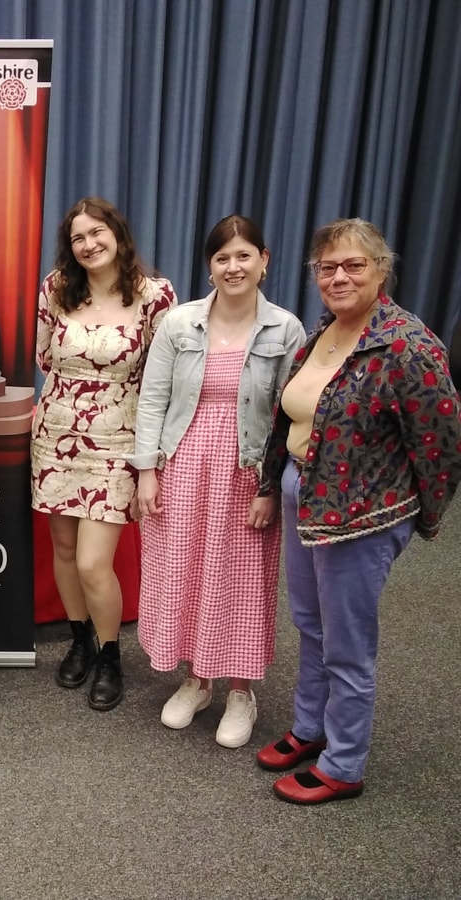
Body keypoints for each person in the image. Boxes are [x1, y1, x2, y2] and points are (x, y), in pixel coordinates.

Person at [255, 218, 461, 803]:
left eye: (354, 265)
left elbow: (446, 448)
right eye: (328, 267)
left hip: (361, 517)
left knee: (348, 643)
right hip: (307, 495)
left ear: (382, 270)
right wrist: (276, 482)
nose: (339, 276)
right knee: (310, 624)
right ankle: (310, 729)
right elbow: (292, 417)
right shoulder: (324, 333)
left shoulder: (407, 346)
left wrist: (413, 520)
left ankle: (344, 763)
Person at [132, 215, 305, 748]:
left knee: (241, 577)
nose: (234, 266)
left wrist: (269, 487)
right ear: (210, 267)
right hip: (184, 461)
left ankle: (240, 689)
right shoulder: (179, 324)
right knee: (183, 568)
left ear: (264, 259)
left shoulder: (286, 329)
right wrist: (146, 472)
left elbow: (288, 417)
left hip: (245, 468)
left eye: (243, 255)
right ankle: (197, 678)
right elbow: (153, 398)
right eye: (222, 257)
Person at [31, 196, 177, 712]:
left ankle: (111, 654)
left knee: (95, 562)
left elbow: (164, 379)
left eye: (97, 233)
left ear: (117, 233)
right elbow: (44, 356)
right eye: (78, 237)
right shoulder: (55, 288)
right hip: (55, 434)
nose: (89, 244)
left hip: (119, 440)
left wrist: (150, 458)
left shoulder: (155, 296)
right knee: (65, 551)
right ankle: (80, 640)